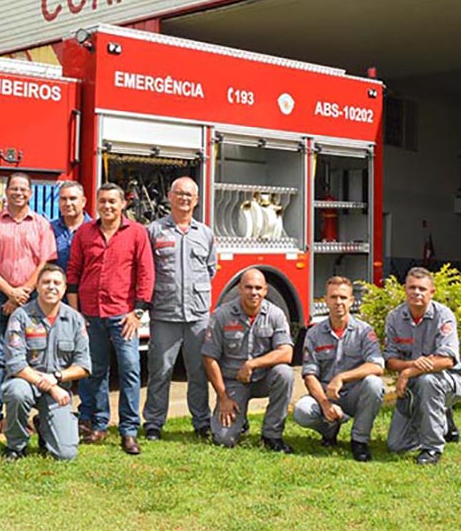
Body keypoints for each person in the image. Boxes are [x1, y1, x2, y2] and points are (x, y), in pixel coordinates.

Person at [67, 183, 154, 455]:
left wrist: (137, 313)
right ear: (95, 204)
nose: (107, 206)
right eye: (102, 202)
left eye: (112, 202)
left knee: (130, 371)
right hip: (91, 314)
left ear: (122, 205)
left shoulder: (137, 233)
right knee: (95, 372)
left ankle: (129, 431)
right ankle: (99, 424)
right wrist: (77, 314)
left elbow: (146, 274)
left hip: (123, 315)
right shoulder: (85, 232)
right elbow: (73, 272)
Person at [0, 172, 57, 439]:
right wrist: (10, 292)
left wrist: (23, 293)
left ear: (30, 193)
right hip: (0, 298)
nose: (18, 193)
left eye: (23, 189)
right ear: (6, 192)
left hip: (33, 300)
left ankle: (19, 415)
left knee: (30, 358)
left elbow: (45, 262)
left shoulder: (41, 225)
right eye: (14, 188)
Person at [143, 177, 216, 441]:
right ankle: (153, 423)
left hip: (197, 315)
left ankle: (201, 421)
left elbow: (210, 269)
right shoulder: (154, 231)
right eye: (179, 194)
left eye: (190, 195)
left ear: (196, 201)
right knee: (160, 370)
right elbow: (146, 269)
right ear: (170, 197)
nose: (184, 198)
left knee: (198, 371)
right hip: (164, 313)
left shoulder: (205, 233)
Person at [2, 264, 90, 461]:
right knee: (17, 392)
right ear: (38, 287)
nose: (51, 287)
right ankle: (16, 446)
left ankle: (43, 426)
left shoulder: (75, 319)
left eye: (57, 283)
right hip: (26, 383)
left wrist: (57, 378)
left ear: (64, 289)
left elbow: (83, 366)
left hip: (58, 388)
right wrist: (51, 387)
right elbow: (16, 364)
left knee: (66, 455)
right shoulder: (21, 316)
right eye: (46, 282)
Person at [202, 268, 295, 453]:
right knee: (223, 440)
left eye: (259, 288)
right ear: (239, 289)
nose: (254, 292)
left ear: (266, 290)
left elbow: (286, 353)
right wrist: (223, 398)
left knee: (285, 373)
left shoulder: (275, 314)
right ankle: (240, 419)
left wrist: (252, 364)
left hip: (263, 379)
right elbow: (209, 357)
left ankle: (272, 435)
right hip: (234, 382)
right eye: (249, 287)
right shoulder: (222, 315)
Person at [293, 276, 385, 461]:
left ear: (351, 300)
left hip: (353, 395)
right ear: (325, 300)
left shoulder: (364, 331)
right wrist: (325, 404)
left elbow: (376, 365)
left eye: (343, 298)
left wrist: (342, 377)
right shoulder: (314, 334)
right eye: (333, 297)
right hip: (326, 395)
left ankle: (359, 440)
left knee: (374, 384)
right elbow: (309, 374)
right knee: (301, 411)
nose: (338, 302)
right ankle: (329, 429)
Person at [385, 267, 461, 465]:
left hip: (447, 380)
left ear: (431, 292)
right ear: (405, 289)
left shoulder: (443, 316)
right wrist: (412, 365)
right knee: (396, 445)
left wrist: (408, 371)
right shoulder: (394, 318)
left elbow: (447, 360)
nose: (416, 293)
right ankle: (443, 422)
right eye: (412, 288)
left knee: (428, 381)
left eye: (422, 289)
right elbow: (391, 361)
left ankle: (432, 448)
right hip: (413, 385)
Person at [50, 181, 90, 273]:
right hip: (56, 285)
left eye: (73, 199)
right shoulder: (49, 229)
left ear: (83, 202)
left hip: (85, 285)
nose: (68, 203)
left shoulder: (95, 229)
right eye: (63, 199)